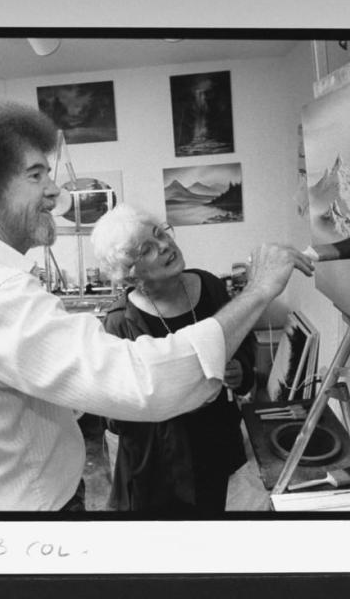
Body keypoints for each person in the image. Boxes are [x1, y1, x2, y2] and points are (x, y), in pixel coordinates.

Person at [0, 99, 314, 511]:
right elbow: (141, 383)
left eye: (49, 174)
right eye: (35, 176)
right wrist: (258, 290)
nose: (54, 191)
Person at [91, 204, 255, 514]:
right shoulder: (121, 322)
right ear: (130, 275)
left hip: (215, 443)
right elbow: (116, 413)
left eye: (160, 234)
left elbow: (244, 342)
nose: (165, 245)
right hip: (158, 465)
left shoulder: (210, 286)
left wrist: (240, 370)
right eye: (147, 249)